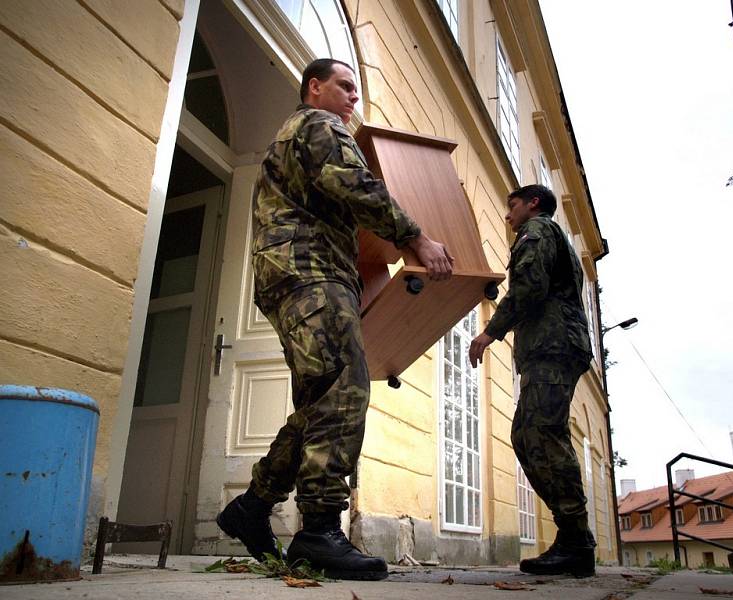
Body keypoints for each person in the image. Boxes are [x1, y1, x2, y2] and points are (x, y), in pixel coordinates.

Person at [216, 58, 454, 581]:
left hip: (300, 273)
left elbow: (338, 199)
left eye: (356, 90)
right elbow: (358, 187)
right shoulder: (319, 125)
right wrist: (414, 237)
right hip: (310, 273)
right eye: (344, 86)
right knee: (344, 393)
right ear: (314, 87)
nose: (353, 98)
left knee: (323, 400)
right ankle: (319, 530)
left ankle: (253, 507)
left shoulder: (299, 134)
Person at [468, 184, 596, 578]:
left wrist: (491, 331)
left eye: (513, 206)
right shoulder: (547, 234)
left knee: (542, 432)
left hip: (553, 346)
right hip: (553, 346)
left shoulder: (537, 231)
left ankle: (576, 541)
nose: (508, 215)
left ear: (533, 204)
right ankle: (572, 535)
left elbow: (529, 287)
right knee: (528, 434)